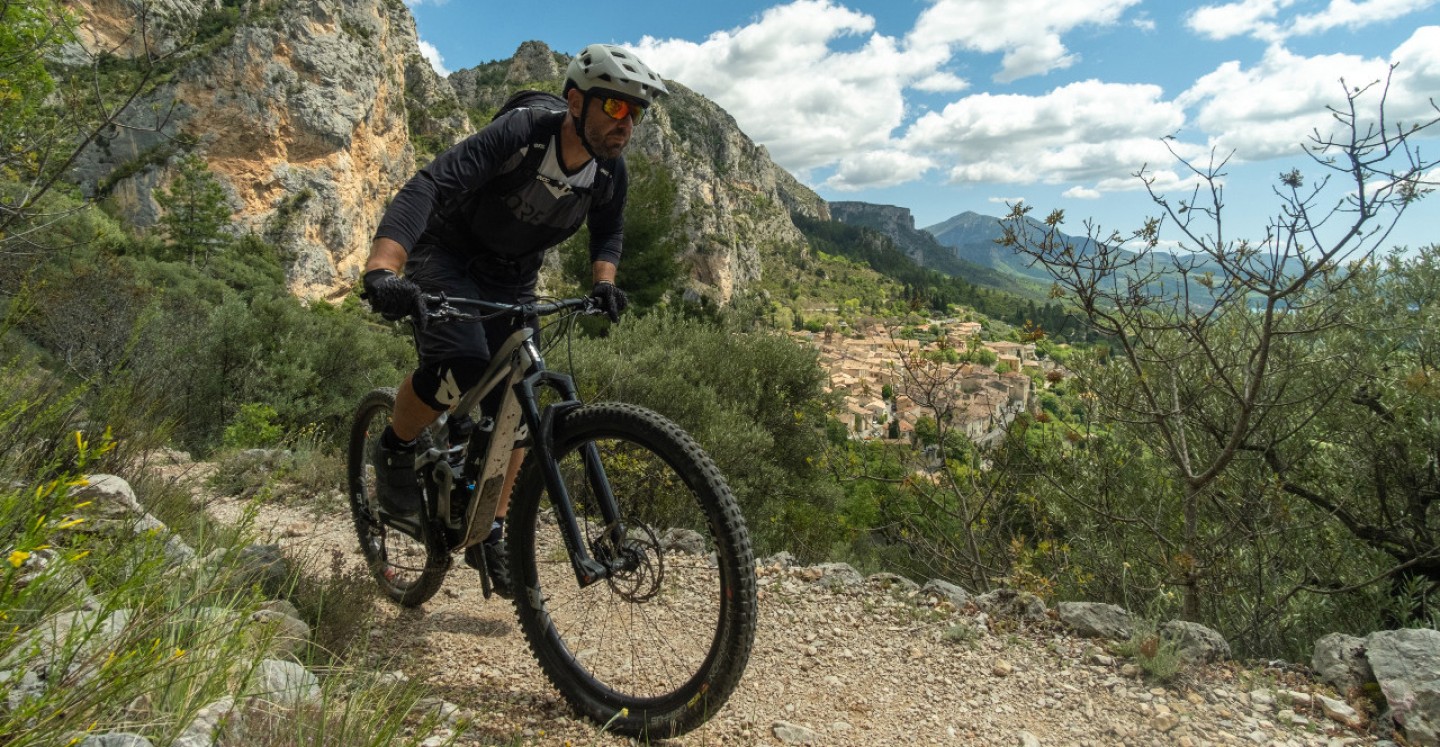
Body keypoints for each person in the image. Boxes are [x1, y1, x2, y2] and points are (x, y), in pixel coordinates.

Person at [360, 44, 668, 598]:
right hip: (445, 254)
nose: (627, 125)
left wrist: (604, 282)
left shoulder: (609, 173)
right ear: (577, 101)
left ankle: (490, 528)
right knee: (460, 362)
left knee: (521, 393)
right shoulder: (523, 134)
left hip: (512, 275)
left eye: (637, 113)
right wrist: (385, 268)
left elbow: (610, 231)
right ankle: (396, 445)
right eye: (616, 109)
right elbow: (428, 186)